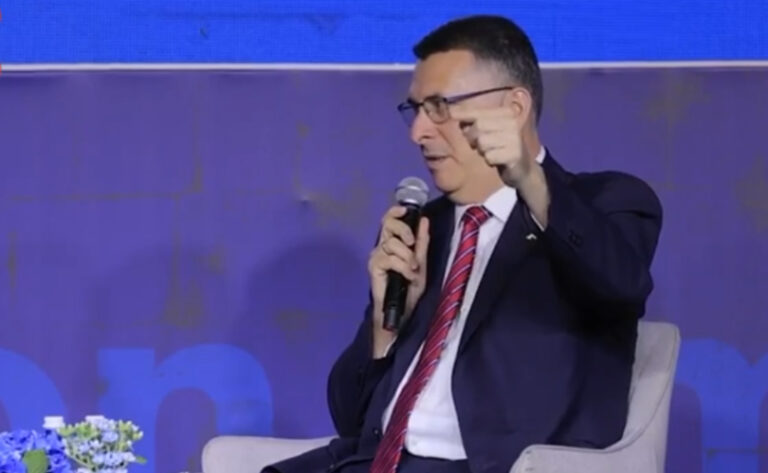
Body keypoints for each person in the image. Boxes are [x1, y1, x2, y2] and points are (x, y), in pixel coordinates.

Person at [266, 14, 662, 473]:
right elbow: (352, 420)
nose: (418, 132)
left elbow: (623, 283)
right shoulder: (422, 230)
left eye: (439, 106)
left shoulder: (605, 204)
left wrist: (533, 182)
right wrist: (386, 328)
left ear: (514, 108)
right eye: (415, 109)